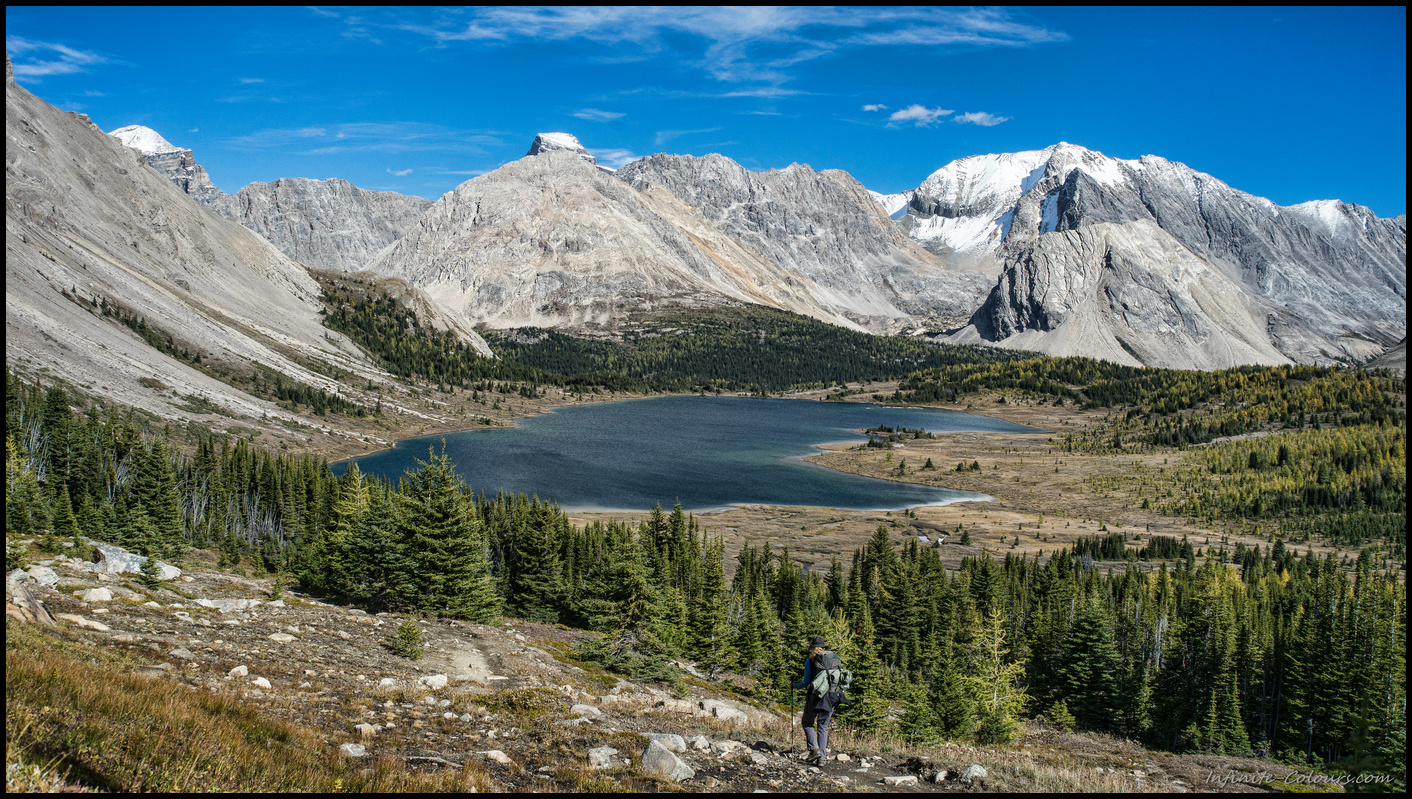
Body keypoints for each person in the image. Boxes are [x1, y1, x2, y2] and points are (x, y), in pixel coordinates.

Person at [792, 636, 834, 765]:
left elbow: (806, 682)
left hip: (815, 697)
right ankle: (821, 758)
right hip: (831, 697)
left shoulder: (810, 661)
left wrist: (794, 685)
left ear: (812, 649)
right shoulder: (832, 661)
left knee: (807, 722)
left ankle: (814, 750)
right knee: (823, 727)